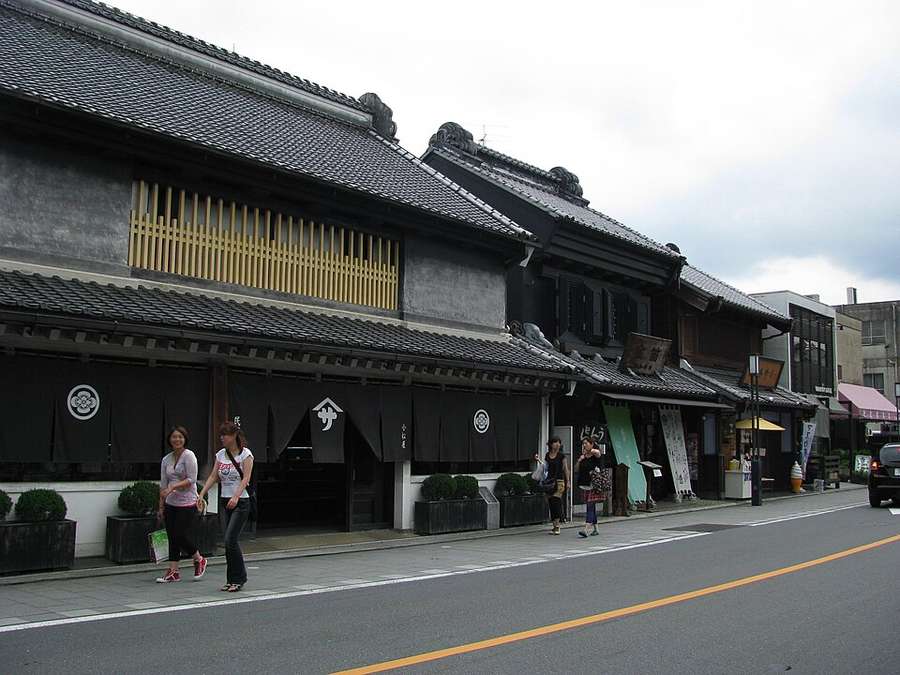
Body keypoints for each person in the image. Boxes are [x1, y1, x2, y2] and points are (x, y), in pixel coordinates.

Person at [197, 421, 254, 592]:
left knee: (230, 539)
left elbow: (246, 478)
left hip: (241, 502)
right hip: (224, 500)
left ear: (234, 435)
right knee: (228, 542)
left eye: (225, 435)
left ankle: (239, 578)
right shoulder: (221, 455)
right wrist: (201, 493)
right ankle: (232, 579)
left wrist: (236, 496)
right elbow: (213, 476)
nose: (222, 438)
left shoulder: (246, 455)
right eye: (221, 435)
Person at [156, 426, 206, 583]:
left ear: (185, 439)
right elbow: (163, 484)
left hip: (187, 502)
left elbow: (192, 479)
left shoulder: (189, 456)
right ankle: (173, 571)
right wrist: (161, 506)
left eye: (180, 437)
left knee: (179, 534)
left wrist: (173, 487)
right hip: (171, 503)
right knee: (172, 537)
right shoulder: (166, 459)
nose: (177, 440)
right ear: (169, 440)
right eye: (174, 437)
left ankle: (198, 558)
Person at [535, 436, 569, 535]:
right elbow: (545, 467)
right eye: (555, 442)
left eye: (559, 442)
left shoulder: (561, 456)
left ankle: (557, 525)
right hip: (549, 482)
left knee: (556, 501)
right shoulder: (547, 455)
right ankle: (554, 526)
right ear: (551, 444)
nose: (557, 444)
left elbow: (565, 469)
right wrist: (538, 460)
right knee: (551, 503)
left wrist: (568, 481)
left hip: (559, 482)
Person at [574, 436, 605, 538]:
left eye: (586, 443)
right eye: (583, 443)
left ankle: (586, 529)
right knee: (591, 506)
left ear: (591, 444)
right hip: (584, 484)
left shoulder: (595, 454)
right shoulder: (583, 456)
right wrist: (580, 460)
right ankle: (596, 529)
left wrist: (589, 450)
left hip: (593, 484)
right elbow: (576, 469)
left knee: (590, 506)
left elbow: (597, 452)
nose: (584, 445)